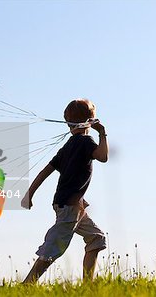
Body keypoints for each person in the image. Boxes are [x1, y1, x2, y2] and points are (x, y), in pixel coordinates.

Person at [21, 98, 108, 283]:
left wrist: (30, 194)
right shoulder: (85, 142)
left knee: (96, 238)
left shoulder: (67, 147)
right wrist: (103, 133)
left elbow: (45, 172)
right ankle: (27, 285)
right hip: (69, 206)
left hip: (72, 205)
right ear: (90, 121)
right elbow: (103, 157)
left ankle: (88, 287)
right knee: (52, 249)